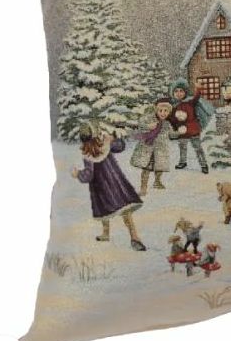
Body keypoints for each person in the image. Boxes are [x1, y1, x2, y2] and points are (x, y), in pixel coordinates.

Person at [71, 121, 146, 251]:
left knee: (104, 210)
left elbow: (88, 176)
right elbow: (120, 147)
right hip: (116, 184)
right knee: (125, 211)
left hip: (100, 189)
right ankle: (134, 237)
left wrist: (78, 174)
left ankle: (107, 233)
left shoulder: (88, 155)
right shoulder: (105, 144)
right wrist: (115, 139)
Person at [131, 97, 175, 196]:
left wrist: (179, 132)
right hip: (148, 148)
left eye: (166, 111)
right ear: (156, 110)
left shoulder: (167, 124)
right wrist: (148, 126)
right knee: (146, 168)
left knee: (159, 167)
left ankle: (157, 181)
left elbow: (172, 135)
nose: (163, 113)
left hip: (160, 150)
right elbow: (140, 123)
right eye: (160, 110)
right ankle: (143, 188)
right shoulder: (149, 118)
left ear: (169, 112)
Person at [168, 77, 210, 173]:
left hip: (193, 129)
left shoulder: (190, 102)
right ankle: (182, 162)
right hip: (182, 131)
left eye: (181, 91)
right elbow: (173, 120)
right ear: (173, 93)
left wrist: (198, 88)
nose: (179, 93)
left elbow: (196, 97)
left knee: (198, 148)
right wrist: (175, 127)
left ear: (185, 92)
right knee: (182, 147)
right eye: (176, 91)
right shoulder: (174, 107)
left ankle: (203, 164)